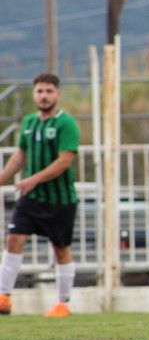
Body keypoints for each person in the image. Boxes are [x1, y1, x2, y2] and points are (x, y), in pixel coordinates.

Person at [0, 73, 81, 317]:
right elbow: (20, 156)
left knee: (60, 248)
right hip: (31, 197)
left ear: (58, 94)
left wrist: (33, 179)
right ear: (34, 94)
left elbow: (64, 161)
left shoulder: (66, 124)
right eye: (40, 91)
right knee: (14, 239)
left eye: (48, 91)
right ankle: (3, 297)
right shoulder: (28, 122)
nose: (44, 96)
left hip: (60, 200)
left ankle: (63, 304)